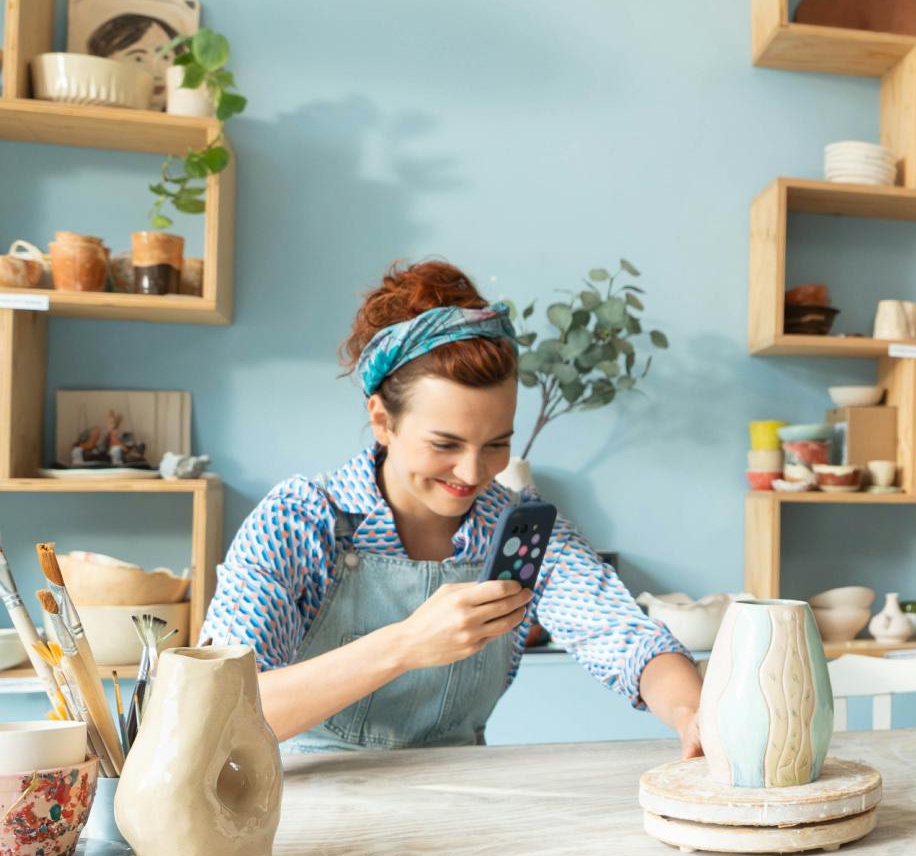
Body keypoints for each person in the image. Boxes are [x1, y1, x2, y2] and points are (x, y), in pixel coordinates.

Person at [202, 260, 703, 758]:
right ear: (382, 420)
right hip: (307, 792)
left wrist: (692, 714)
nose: (472, 472)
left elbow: (625, 636)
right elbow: (220, 712)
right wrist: (405, 645)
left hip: (462, 788)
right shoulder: (299, 522)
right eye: (445, 444)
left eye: (496, 444)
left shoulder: (521, 531)